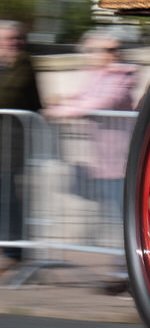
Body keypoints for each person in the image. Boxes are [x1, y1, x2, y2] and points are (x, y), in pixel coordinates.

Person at [45, 30, 137, 222]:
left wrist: (63, 111)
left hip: (119, 161)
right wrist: (60, 104)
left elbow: (106, 101)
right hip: (99, 161)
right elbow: (82, 98)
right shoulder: (92, 74)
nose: (113, 54)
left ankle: (128, 250)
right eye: (105, 50)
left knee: (124, 216)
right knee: (109, 217)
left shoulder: (124, 74)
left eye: (115, 49)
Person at [0, 21, 40, 261]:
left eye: (16, 39)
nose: (13, 44)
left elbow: (11, 95)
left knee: (9, 197)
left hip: (11, 144)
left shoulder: (24, 65)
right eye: (8, 40)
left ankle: (15, 251)